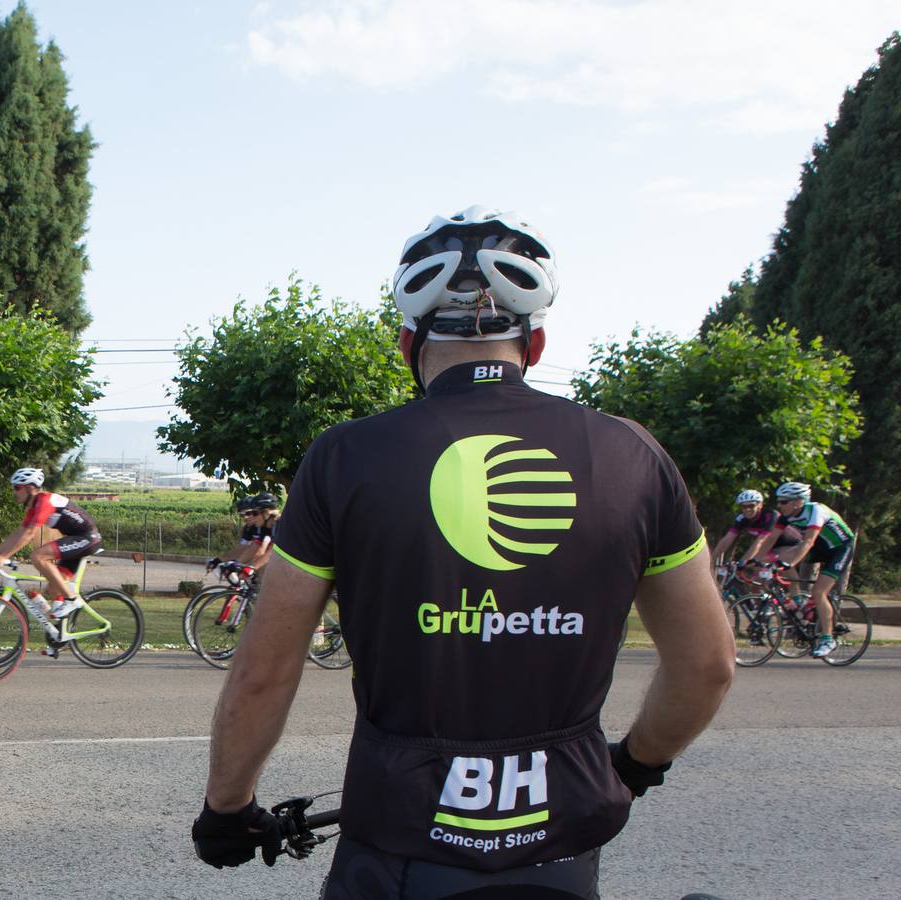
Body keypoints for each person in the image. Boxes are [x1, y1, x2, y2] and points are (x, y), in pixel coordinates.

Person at [194, 206, 733, 898]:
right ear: (534, 344)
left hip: (398, 841)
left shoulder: (345, 457)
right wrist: (632, 766)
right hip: (561, 836)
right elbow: (708, 666)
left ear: (402, 341)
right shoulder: (631, 454)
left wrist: (227, 808)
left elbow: (265, 672)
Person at [0, 466, 104, 620]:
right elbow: (18, 534)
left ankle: (72, 600)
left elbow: (29, 534)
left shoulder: (45, 501)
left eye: (17, 488)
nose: (14, 492)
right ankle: (59, 636)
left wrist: (3, 557)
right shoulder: (33, 508)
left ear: (30, 488)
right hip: (77, 539)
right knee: (54, 589)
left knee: (38, 556)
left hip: (88, 538)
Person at [771, 481, 856, 658]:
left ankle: (827, 639)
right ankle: (798, 600)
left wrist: (790, 562)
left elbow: (808, 542)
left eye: (784, 502)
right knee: (777, 555)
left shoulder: (816, 511)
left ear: (798, 502)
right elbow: (769, 541)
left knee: (819, 592)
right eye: (779, 501)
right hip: (821, 547)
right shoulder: (786, 515)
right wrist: (754, 561)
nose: (779, 505)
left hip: (840, 549)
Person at [712, 489, 799, 577]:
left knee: (757, 563)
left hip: (791, 546)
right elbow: (727, 539)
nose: (747, 509)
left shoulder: (770, 515)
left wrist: (743, 562)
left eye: (751, 505)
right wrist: (711, 560)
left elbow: (760, 541)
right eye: (744, 507)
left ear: (760, 505)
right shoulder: (741, 518)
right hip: (769, 548)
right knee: (754, 576)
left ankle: (795, 588)